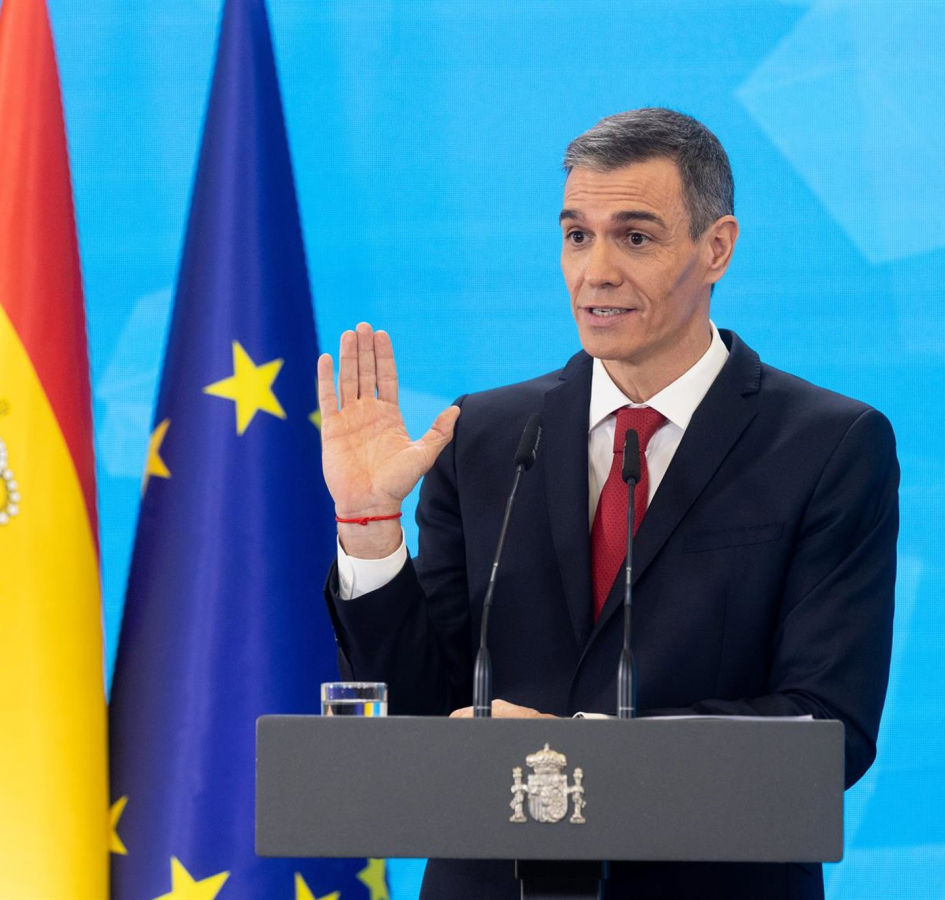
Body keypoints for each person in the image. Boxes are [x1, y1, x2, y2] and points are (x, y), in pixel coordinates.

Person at [316, 108, 898, 900]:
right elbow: (419, 714)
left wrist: (579, 752)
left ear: (716, 248)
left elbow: (827, 732)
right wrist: (368, 527)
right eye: (577, 236)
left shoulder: (827, 445)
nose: (596, 272)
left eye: (635, 237)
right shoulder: (482, 436)